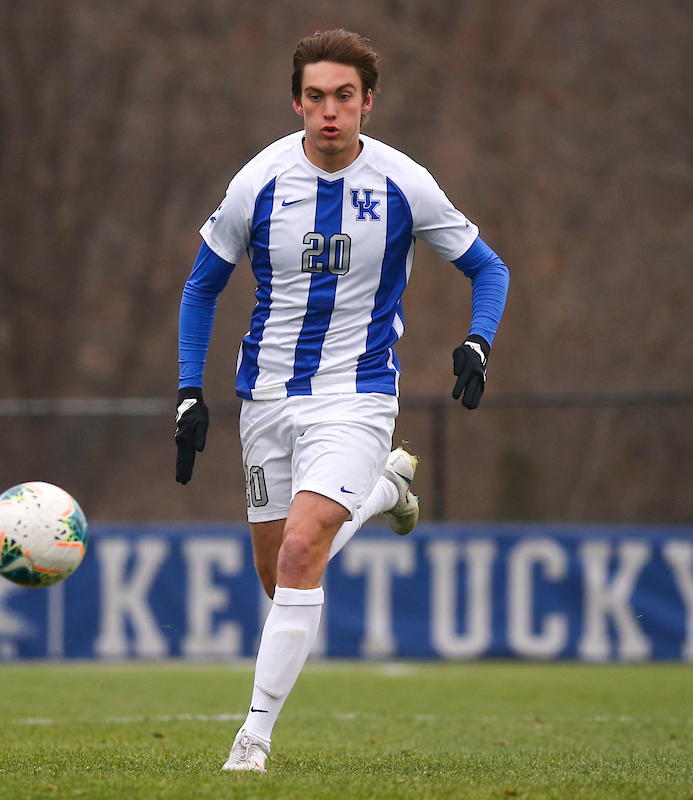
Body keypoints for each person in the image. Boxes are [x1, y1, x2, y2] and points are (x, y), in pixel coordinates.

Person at [174, 29, 509, 772]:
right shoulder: (258, 181)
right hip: (265, 399)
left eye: (345, 98)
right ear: (297, 100)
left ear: (367, 103)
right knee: (281, 576)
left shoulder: (403, 184)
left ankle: (251, 740)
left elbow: (490, 269)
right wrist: (188, 391)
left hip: (357, 395)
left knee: (301, 551)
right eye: (317, 97)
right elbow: (202, 287)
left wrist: (479, 340)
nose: (331, 112)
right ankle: (387, 487)